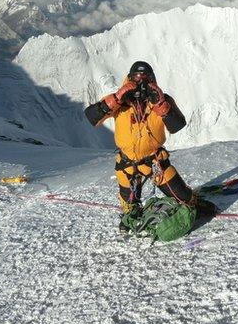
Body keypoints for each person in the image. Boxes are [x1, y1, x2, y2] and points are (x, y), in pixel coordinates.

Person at [84, 61, 212, 228]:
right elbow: (91, 117)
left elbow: (177, 126)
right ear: (129, 80)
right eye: (136, 80)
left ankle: (191, 202)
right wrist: (115, 99)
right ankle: (131, 213)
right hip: (127, 163)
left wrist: (161, 105)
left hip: (155, 160)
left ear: (152, 81)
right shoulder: (119, 101)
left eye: (145, 80)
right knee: (130, 207)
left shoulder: (161, 100)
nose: (140, 85)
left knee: (182, 196)